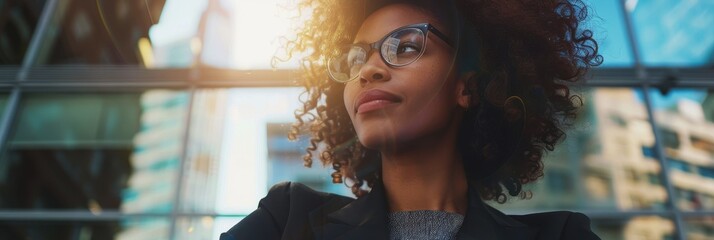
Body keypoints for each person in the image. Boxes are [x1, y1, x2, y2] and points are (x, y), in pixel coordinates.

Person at [222, 0, 602, 239]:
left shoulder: (561, 234)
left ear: (467, 89)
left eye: (405, 46)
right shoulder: (287, 219)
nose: (368, 70)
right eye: (356, 59)